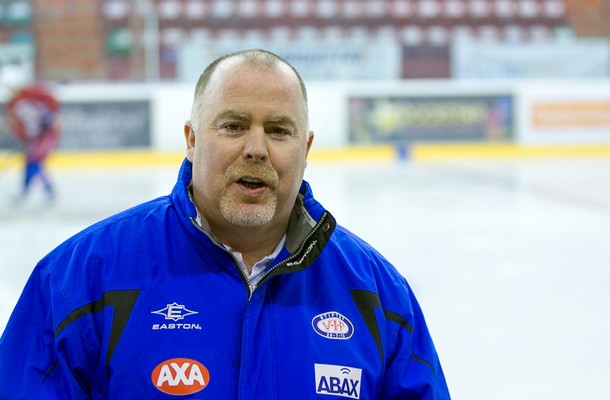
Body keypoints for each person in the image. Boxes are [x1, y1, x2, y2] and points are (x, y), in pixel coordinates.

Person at [0, 49, 450, 399]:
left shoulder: (381, 298)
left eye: (279, 130)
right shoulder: (79, 280)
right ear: (192, 139)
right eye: (233, 127)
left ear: (306, 147)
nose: (256, 148)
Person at [5, 82, 60, 202]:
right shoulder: (19, 102)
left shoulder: (22, 101)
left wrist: (29, 137)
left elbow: (38, 121)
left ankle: (47, 189)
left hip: (43, 136)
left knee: (34, 161)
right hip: (37, 137)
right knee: (30, 163)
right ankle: (27, 191)